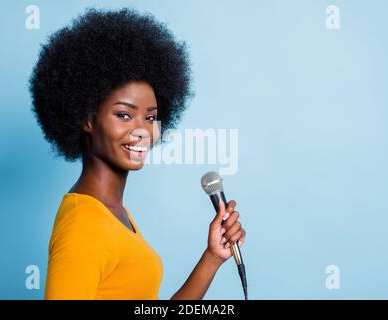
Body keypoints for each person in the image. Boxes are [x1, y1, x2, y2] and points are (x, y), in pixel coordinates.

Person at [29, 7, 246, 300]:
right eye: (124, 115)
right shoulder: (84, 226)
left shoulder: (112, 213)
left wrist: (212, 257)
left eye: (150, 117)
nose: (142, 130)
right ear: (87, 118)